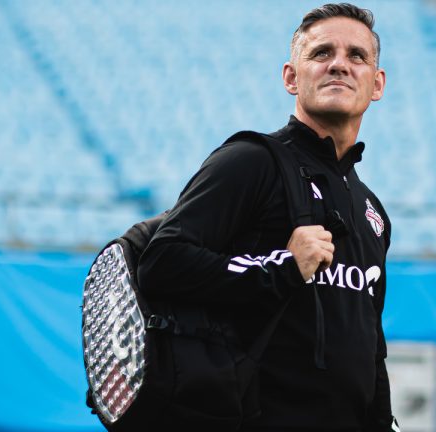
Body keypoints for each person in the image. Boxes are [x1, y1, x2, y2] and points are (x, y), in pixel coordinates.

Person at [138, 3, 399, 431]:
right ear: (291, 78)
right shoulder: (249, 161)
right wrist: (283, 267)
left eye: (357, 56)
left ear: (377, 83)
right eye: (321, 53)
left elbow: (371, 345)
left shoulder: (373, 211)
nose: (339, 64)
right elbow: (162, 262)